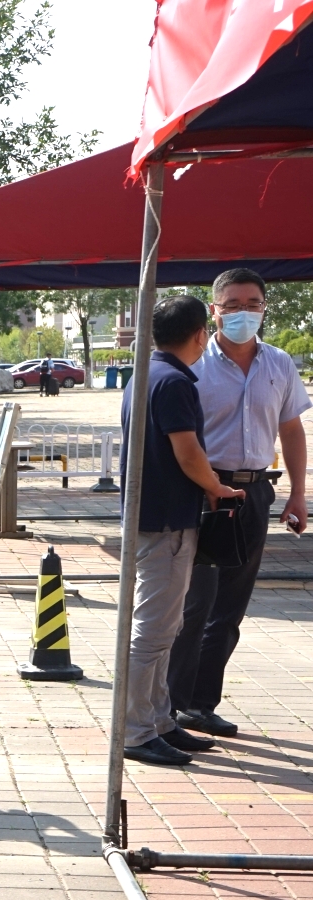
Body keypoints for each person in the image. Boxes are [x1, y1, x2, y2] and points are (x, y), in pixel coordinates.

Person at [168, 268, 311, 737]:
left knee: (229, 609)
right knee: (194, 604)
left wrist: (297, 493)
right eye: (232, 305)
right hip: (203, 492)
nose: (242, 313)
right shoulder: (193, 364)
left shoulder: (279, 364)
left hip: (253, 492)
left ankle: (200, 704)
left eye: (252, 304)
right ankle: (170, 706)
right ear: (214, 311)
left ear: (265, 308)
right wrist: (207, 484)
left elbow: (291, 429)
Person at [119, 295, 246, 767]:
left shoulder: (147, 374)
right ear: (199, 335)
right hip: (166, 521)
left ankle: (158, 720)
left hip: (157, 517)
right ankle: (136, 730)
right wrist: (216, 487)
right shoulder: (174, 382)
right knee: (154, 632)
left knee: (166, 628)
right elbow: (188, 452)